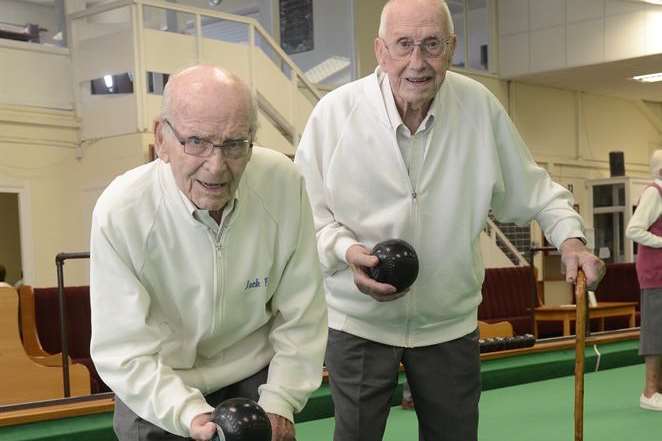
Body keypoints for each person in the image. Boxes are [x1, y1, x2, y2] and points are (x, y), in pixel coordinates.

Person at [294, 1, 605, 440]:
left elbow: (534, 189)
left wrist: (571, 240)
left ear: (452, 47)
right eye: (403, 45)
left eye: (432, 45)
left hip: (449, 324)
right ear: (379, 51)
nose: (417, 62)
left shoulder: (479, 106)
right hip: (358, 320)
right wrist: (345, 253)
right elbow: (308, 215)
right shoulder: (333, 114)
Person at [89, 65, 328, 441]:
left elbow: (303, 312)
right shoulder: (121, 211)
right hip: (158, 381)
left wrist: (281, 399)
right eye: (196, 142)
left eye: (234, 144)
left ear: (252, 140)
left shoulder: (283, 183)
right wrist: (187, 412)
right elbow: (123, 349)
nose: (216, 167)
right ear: (161, 139)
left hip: (252, 374)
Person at [626, 149, 662, 412]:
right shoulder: (654, 192)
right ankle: (649, 393)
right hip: (654, 273)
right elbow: (633, 229)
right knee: (655, 331)